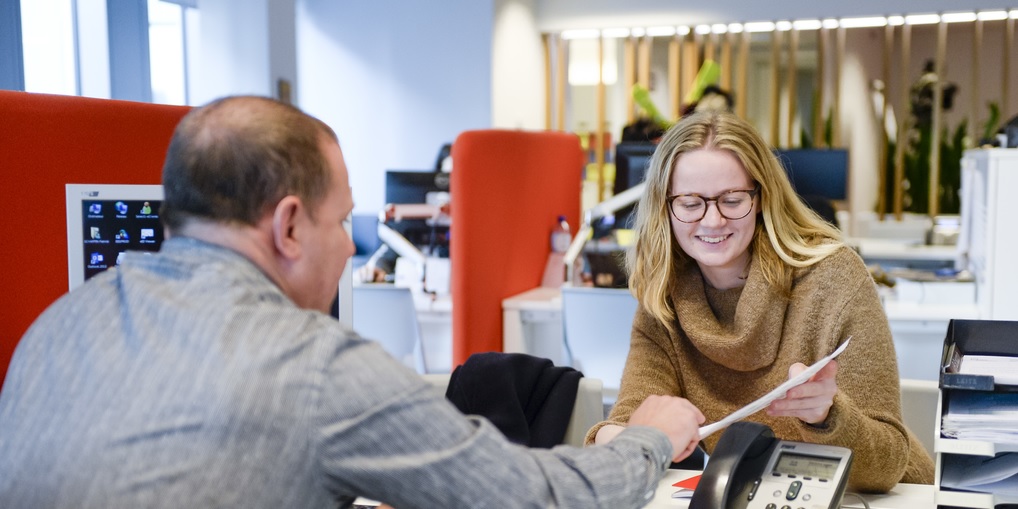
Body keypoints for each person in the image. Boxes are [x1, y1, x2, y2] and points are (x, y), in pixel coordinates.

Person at [0, 96, 706, 509]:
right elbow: (535, 499)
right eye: (341, 221)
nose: (348, 247)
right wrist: (651, 438)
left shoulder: (55, 328)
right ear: (287, 225)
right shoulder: (314, 369)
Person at [586, 110, 935, 493]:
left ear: (762, 196)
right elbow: (632, 421)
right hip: (767, 496)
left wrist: (826, 415)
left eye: (732, 200)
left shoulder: (833, 276)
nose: (713, 220)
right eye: (690, 203)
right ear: (664, 208)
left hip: (881, 497)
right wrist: (619, 440)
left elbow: (887, 465)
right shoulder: (665, 295)